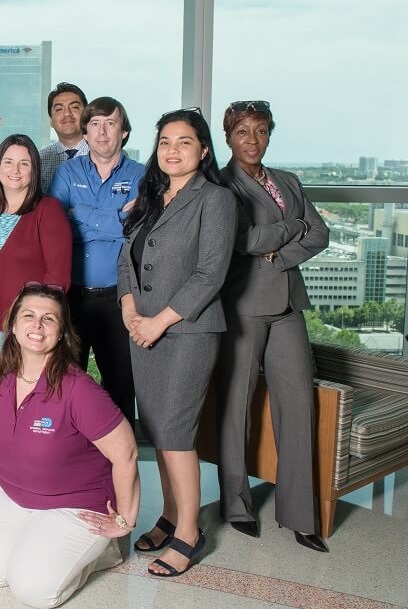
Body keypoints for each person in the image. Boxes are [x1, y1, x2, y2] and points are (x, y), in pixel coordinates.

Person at [0, 283, 139, 609]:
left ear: (63, 333)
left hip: (76, 502)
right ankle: (38, 536)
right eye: (29, 315)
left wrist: (124, 519)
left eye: (49, 319)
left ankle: (104, 551)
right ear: (12, 324)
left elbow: (127, 453)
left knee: (33, 590)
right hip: (12, 490)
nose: (37, 326)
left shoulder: (79, 389)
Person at [117, 108, 237, 577]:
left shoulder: (216, 200)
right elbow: (126, 259)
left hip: (187, 331)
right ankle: (169, 515)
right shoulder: (153, 196)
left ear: (204, 150)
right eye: (165, 141)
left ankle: (189, 532)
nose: (173, 150)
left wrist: (158, 321)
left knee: (177, 433)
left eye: (184, 142)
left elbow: (211, 274)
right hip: (141, 329)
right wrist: (129, 309)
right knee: (158, 430)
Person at [215, 100, 330, 552]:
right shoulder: (221, 185)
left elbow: (319, 233)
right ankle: (237, 506)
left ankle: (301, 515)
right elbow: (240, 240)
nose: (252, 140)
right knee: (236, 406)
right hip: (243, 305)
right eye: (243, 132)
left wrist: (279, 254)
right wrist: (292, 225)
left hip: (286, 305)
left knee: (298, 405)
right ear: (228, 137)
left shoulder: (287, 180)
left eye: (261, 131)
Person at [49, 97, 145, 427]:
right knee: (66, 382)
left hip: (121, 298)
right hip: (71, 296)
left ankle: (120, 466)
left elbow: (136, 231)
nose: (102, 132)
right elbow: (57, 226)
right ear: (85, 132)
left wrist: (82, 215)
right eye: (94, 124)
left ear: (125, 132)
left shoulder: (142, 176)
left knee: (120, 384)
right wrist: (115, 217)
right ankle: (71, 462)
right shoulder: (67, 171)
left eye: (111, 124)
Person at [0, 134, 72, 362]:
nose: (15, 170)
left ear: (34, 170)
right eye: (8, 162)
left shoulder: (48, 211)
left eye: (25, 163)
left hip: (31, 336)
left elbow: (57, 279)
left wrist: (35, 329)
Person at [39, 82, 89, 186]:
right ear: (51, 121)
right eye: (59, 109)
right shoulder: (39, 160)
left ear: (86, 115)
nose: (67, 114)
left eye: (74, 107)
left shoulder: (109, 155)